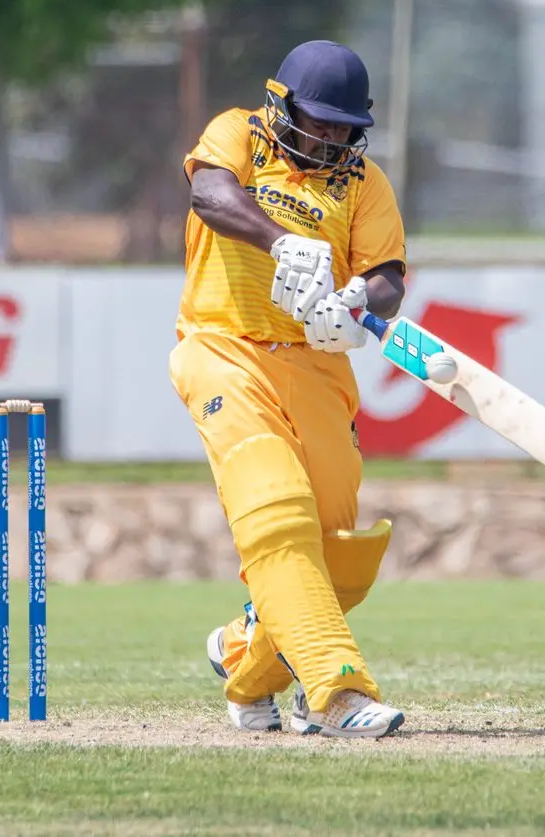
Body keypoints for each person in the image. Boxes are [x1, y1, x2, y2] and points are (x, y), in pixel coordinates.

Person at [169, 40, 409, 738]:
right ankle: (335, 693)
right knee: (276, 514)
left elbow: (390, 276)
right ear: (283, 105)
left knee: (340, 550)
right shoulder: (237, 132)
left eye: (344, 126)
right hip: (223, 349)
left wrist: (358, 296)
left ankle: (247, 667)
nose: (332, 137)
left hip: (316, 367)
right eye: (320, 122)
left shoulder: (365, 183)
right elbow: (209, 193)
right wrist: (281, 242)